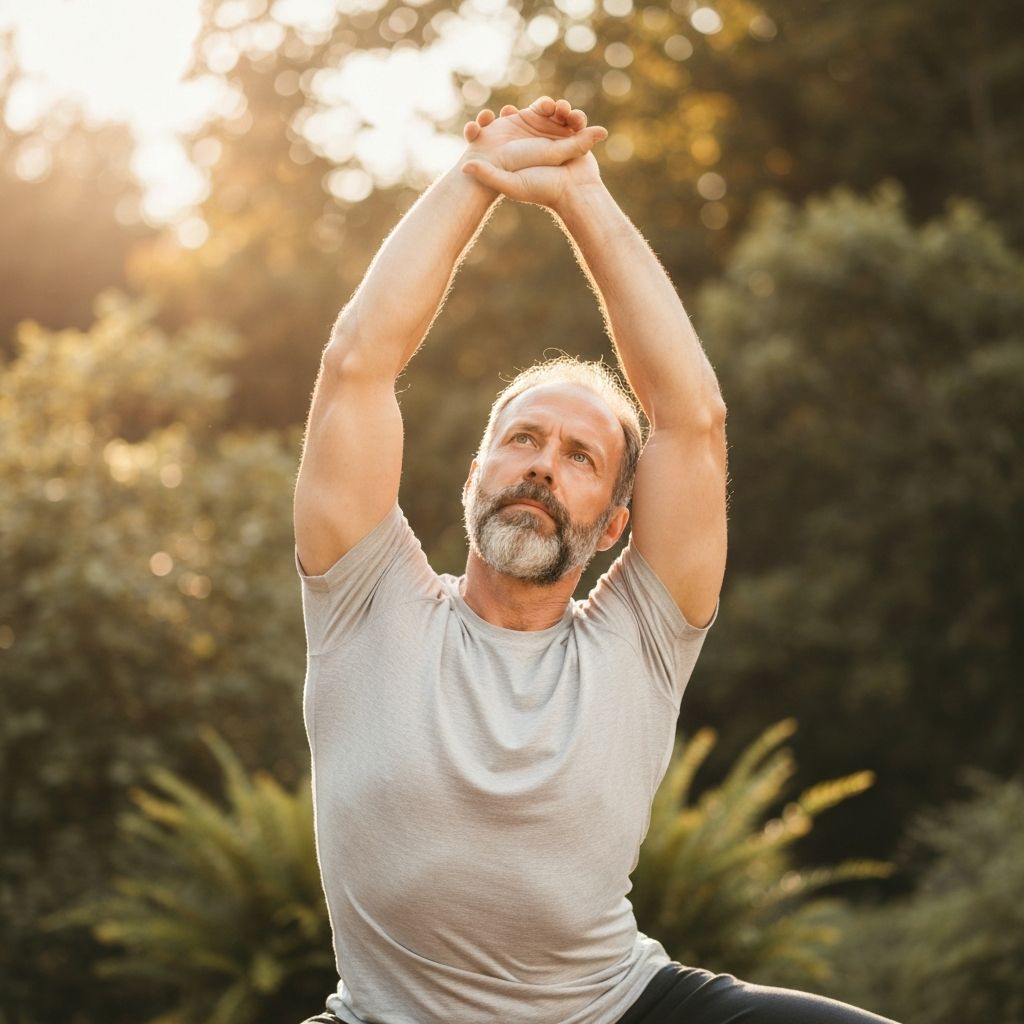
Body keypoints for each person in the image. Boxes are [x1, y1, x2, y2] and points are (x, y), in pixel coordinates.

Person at [293, 97, 896, 1024]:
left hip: (617, 1009)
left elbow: (691, 420)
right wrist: (478, 174)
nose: (542, 462)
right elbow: (357, 362)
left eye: (581, 458)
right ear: (474, 473)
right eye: (523, 437)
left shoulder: (641, 640)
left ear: (618, 521)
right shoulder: (366, 599)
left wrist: (582, 195)